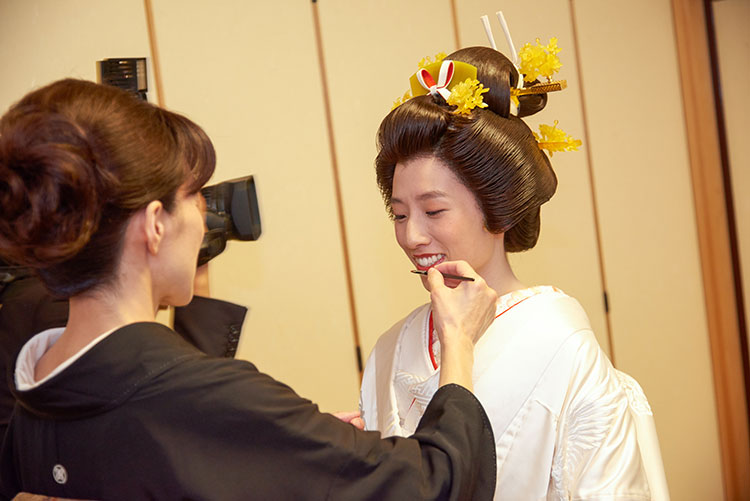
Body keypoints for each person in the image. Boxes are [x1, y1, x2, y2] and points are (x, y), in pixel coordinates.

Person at [0, 78, 499, 500]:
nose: (203, 218)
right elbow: (437, 485)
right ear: (155, 225)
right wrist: (457, 339)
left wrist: (286, 447)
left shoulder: (36, 397)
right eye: (193, 196)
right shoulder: (204, 400)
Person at [360, 46, 656, 499]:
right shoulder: (388, 350)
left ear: (498, 210)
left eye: (434, 210)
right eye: (399, 215)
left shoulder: (564, 346)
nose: (412, 236)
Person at [0, 262, 248, 439]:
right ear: (153, 225)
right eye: (190, 199)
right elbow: (179, 426)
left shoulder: (36, 294)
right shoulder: (59, 307)